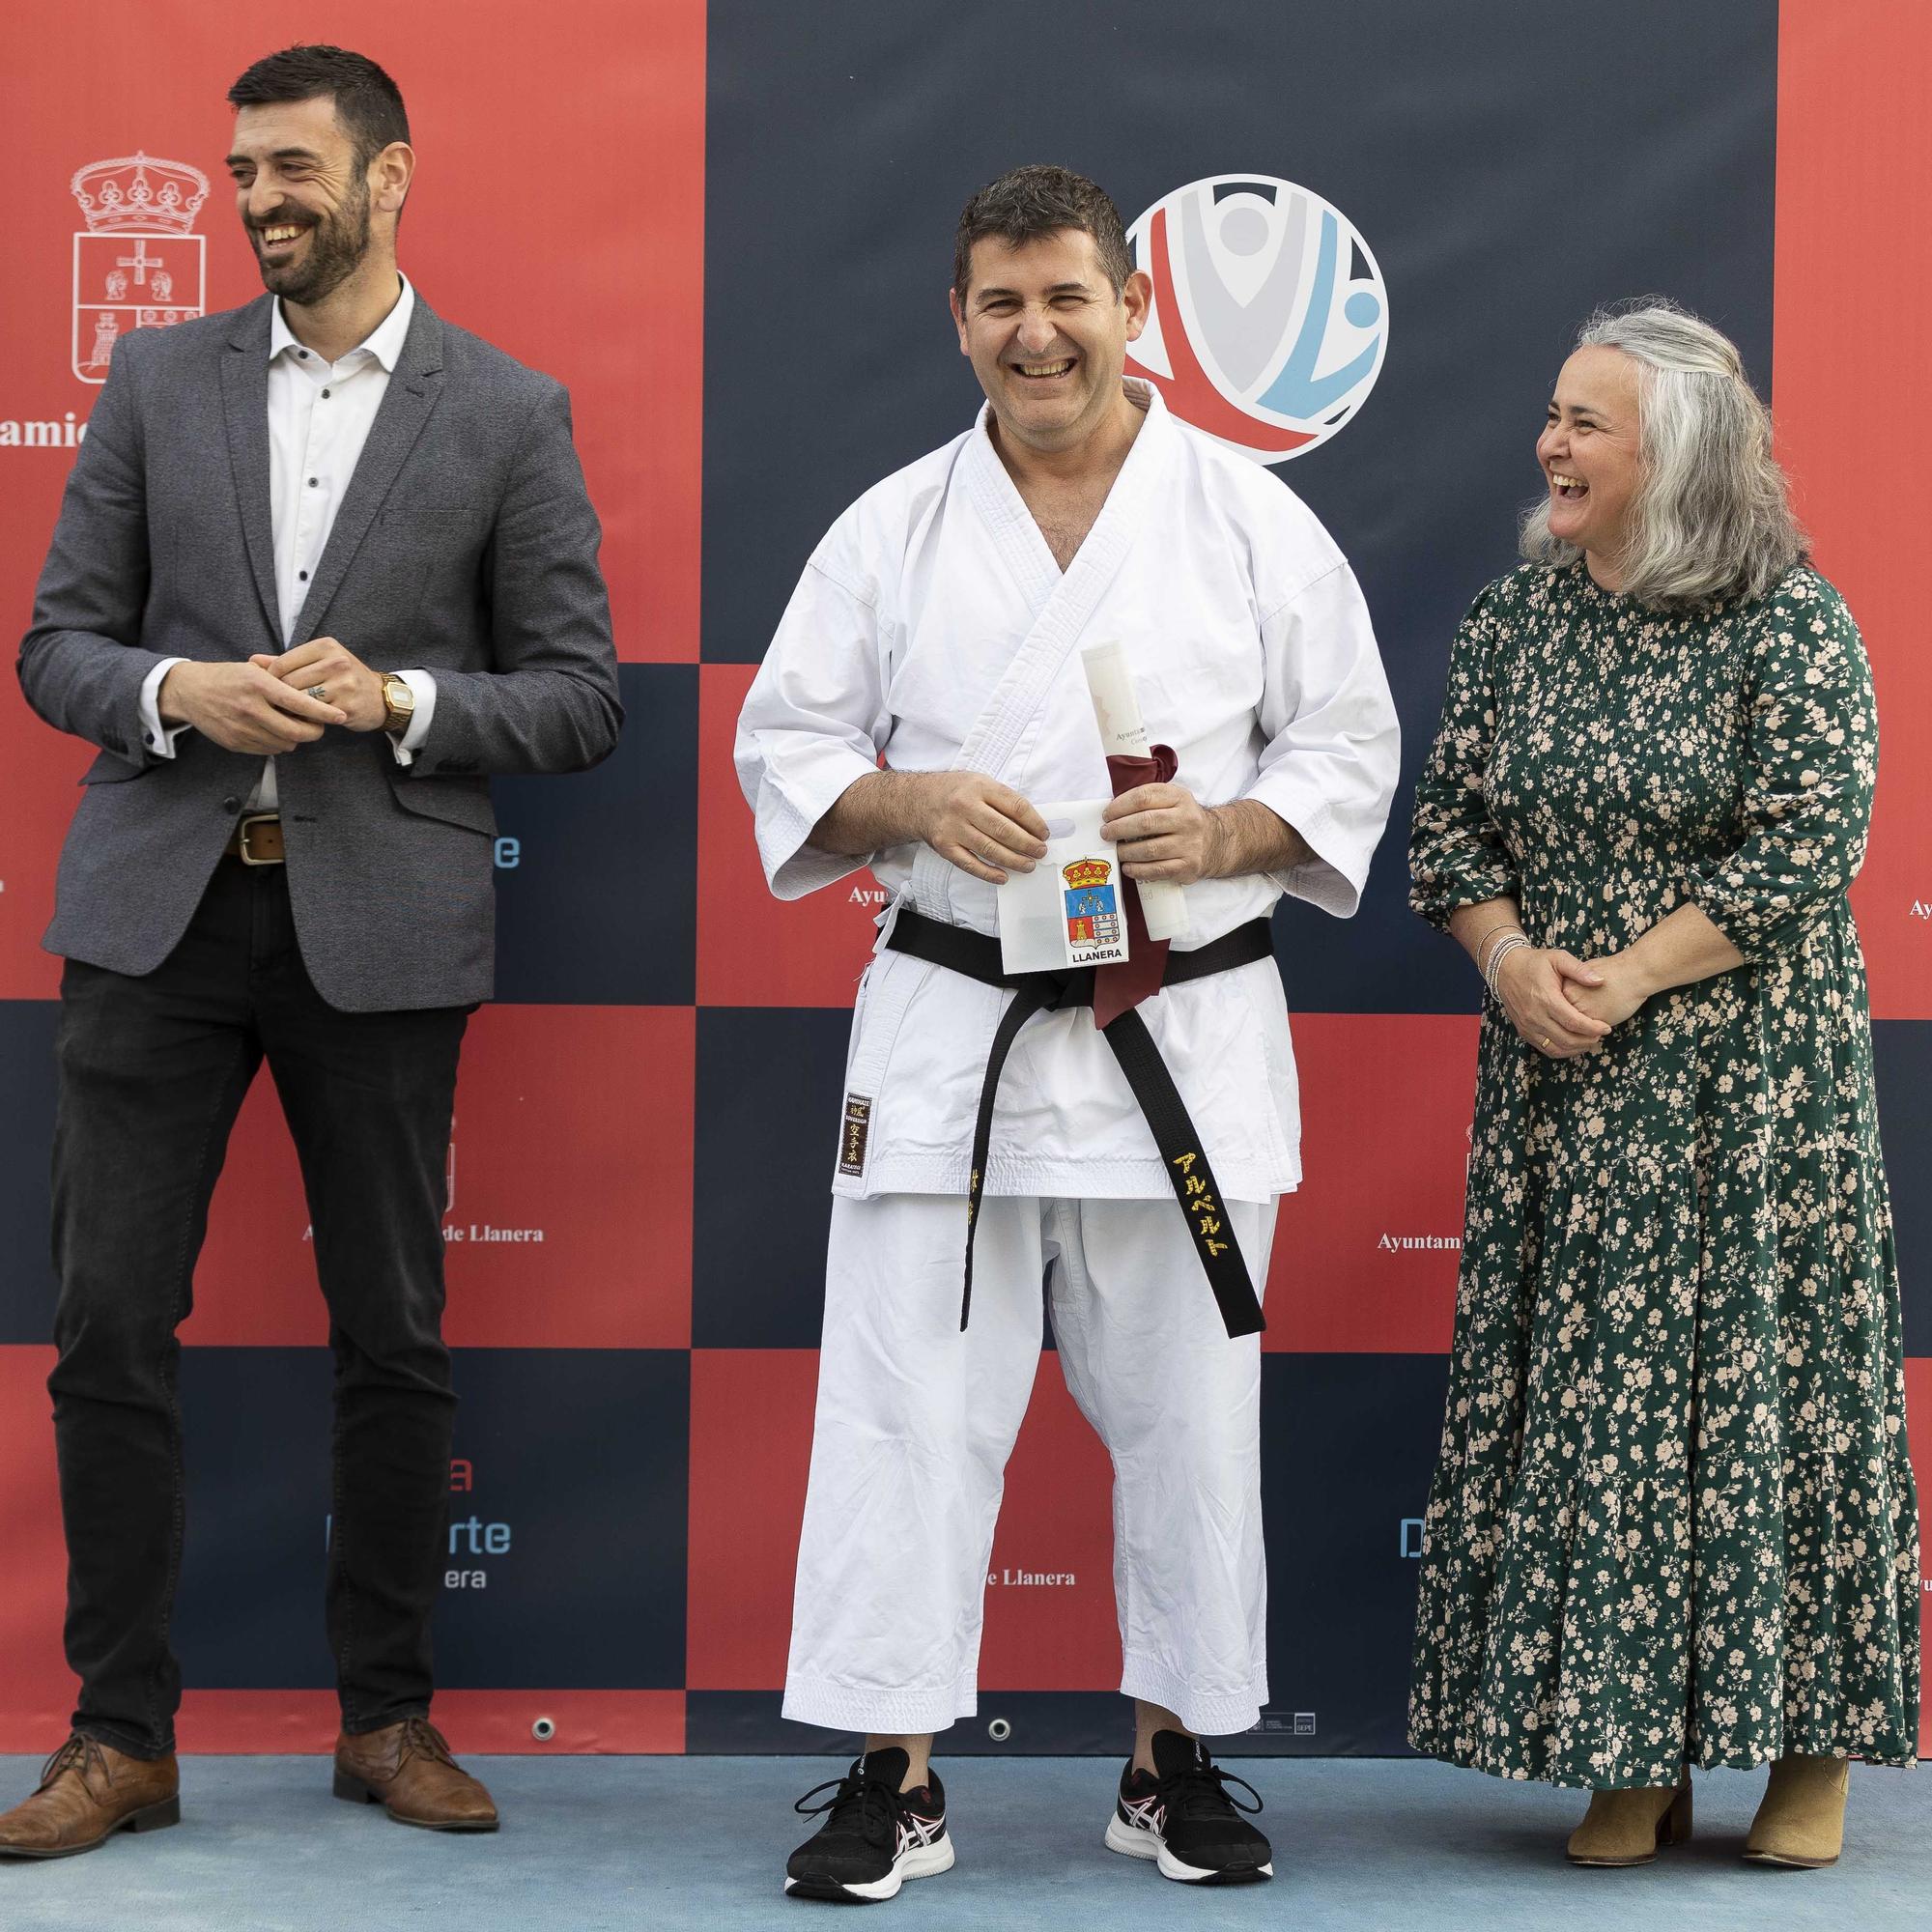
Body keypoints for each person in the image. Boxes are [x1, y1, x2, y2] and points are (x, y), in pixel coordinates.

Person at [737, 164, 1398, 1901]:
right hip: (954, 1030)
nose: (1038, 333)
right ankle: (898, 1777)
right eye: (1002, 303)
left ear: (1134, 309)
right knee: (903, 1408)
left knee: (1192, 1412)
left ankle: (1171, 1763)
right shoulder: (891, 527)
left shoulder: (1252, 523)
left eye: (1068, 298)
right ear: (959, 319)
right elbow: (788, 750)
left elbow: (1345, 748)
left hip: (1177, 1027)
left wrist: (1237, 834)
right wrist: (911, 800)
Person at [3, 44, 619, 1858]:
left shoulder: (508, 410)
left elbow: (580, 699)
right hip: (151, 920)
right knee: (109, 1326)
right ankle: (118, 1739)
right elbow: (54, 649)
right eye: (241, 173)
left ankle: (387, 1720)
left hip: (384, 925)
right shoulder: (153, 378)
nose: (261, 199)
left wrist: (405, 697)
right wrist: (179, 691)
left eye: (292, 168)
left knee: (393, 1335)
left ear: (390, 175)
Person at [1406, 301, 1918, 1869]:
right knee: (1595, 1413)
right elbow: (1448, 835)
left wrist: (1629, 973)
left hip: (1752, 1089)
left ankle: (1810, 1754)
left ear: (1674, 454)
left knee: (1783, 1399)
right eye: (1555, 416)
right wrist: (1511, 965)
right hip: (1565, 1081)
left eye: (1587, 424)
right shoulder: (1517, 620)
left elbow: (1810, 844)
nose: (1551, 446)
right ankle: (1627, 1750)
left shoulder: (1790, 620)